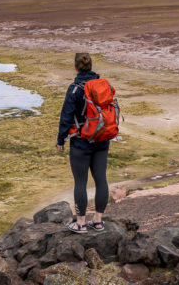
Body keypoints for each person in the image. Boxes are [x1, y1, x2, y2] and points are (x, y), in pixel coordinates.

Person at [55, 52, 109, 233]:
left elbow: (66, 116)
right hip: (102, 141)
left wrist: (60, 139)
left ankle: (81, 223)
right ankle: (99, 222)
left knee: (80, 182)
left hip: (81, 143)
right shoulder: (103, 85)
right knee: (101, 180)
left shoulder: (75, 88)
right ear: (91, 66)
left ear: (76, 67)